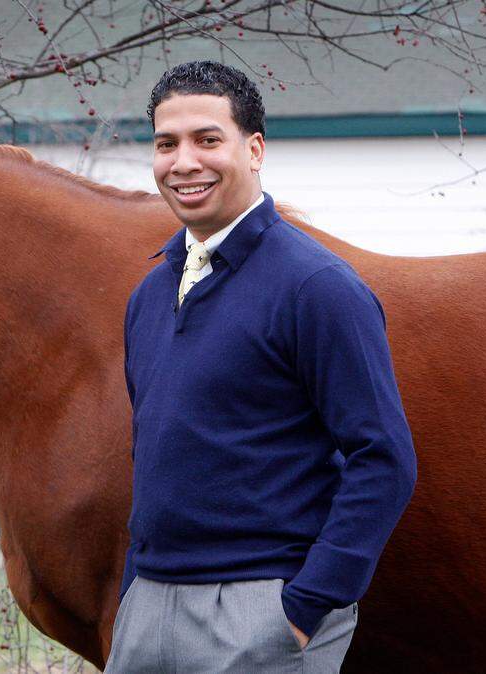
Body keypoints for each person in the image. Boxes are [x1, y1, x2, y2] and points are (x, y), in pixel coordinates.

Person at [107, 61, 418, 673]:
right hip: (149, 605)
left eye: (207, 140)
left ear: (254, 150)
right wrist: (132, 595)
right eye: (166, 144)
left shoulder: (317, 287)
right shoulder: (148, 295)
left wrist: (305, 608)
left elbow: (384, 459)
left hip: (261, 609)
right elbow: (156, 456)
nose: (183, 162)